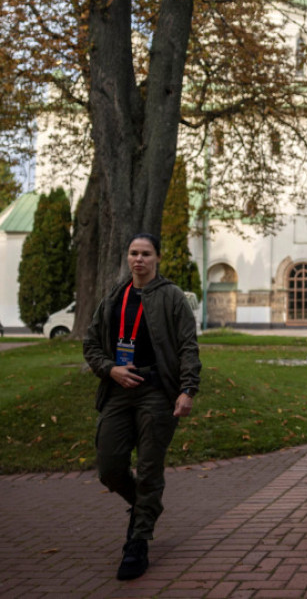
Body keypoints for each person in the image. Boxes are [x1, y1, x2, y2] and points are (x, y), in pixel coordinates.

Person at [82, 233, 201, 581]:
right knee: (109, 466)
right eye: (134, 253)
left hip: (156, 391)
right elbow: (91, 344)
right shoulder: (114, 297)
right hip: (118, 389)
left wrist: (188, 389)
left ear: (157, 259)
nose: (139, 259)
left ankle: (138, 542)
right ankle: (146, 504)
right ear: (127, 258)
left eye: (146, 254)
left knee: (149, 468)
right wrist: (110, 369)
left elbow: (188, 347)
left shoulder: (172, 297)